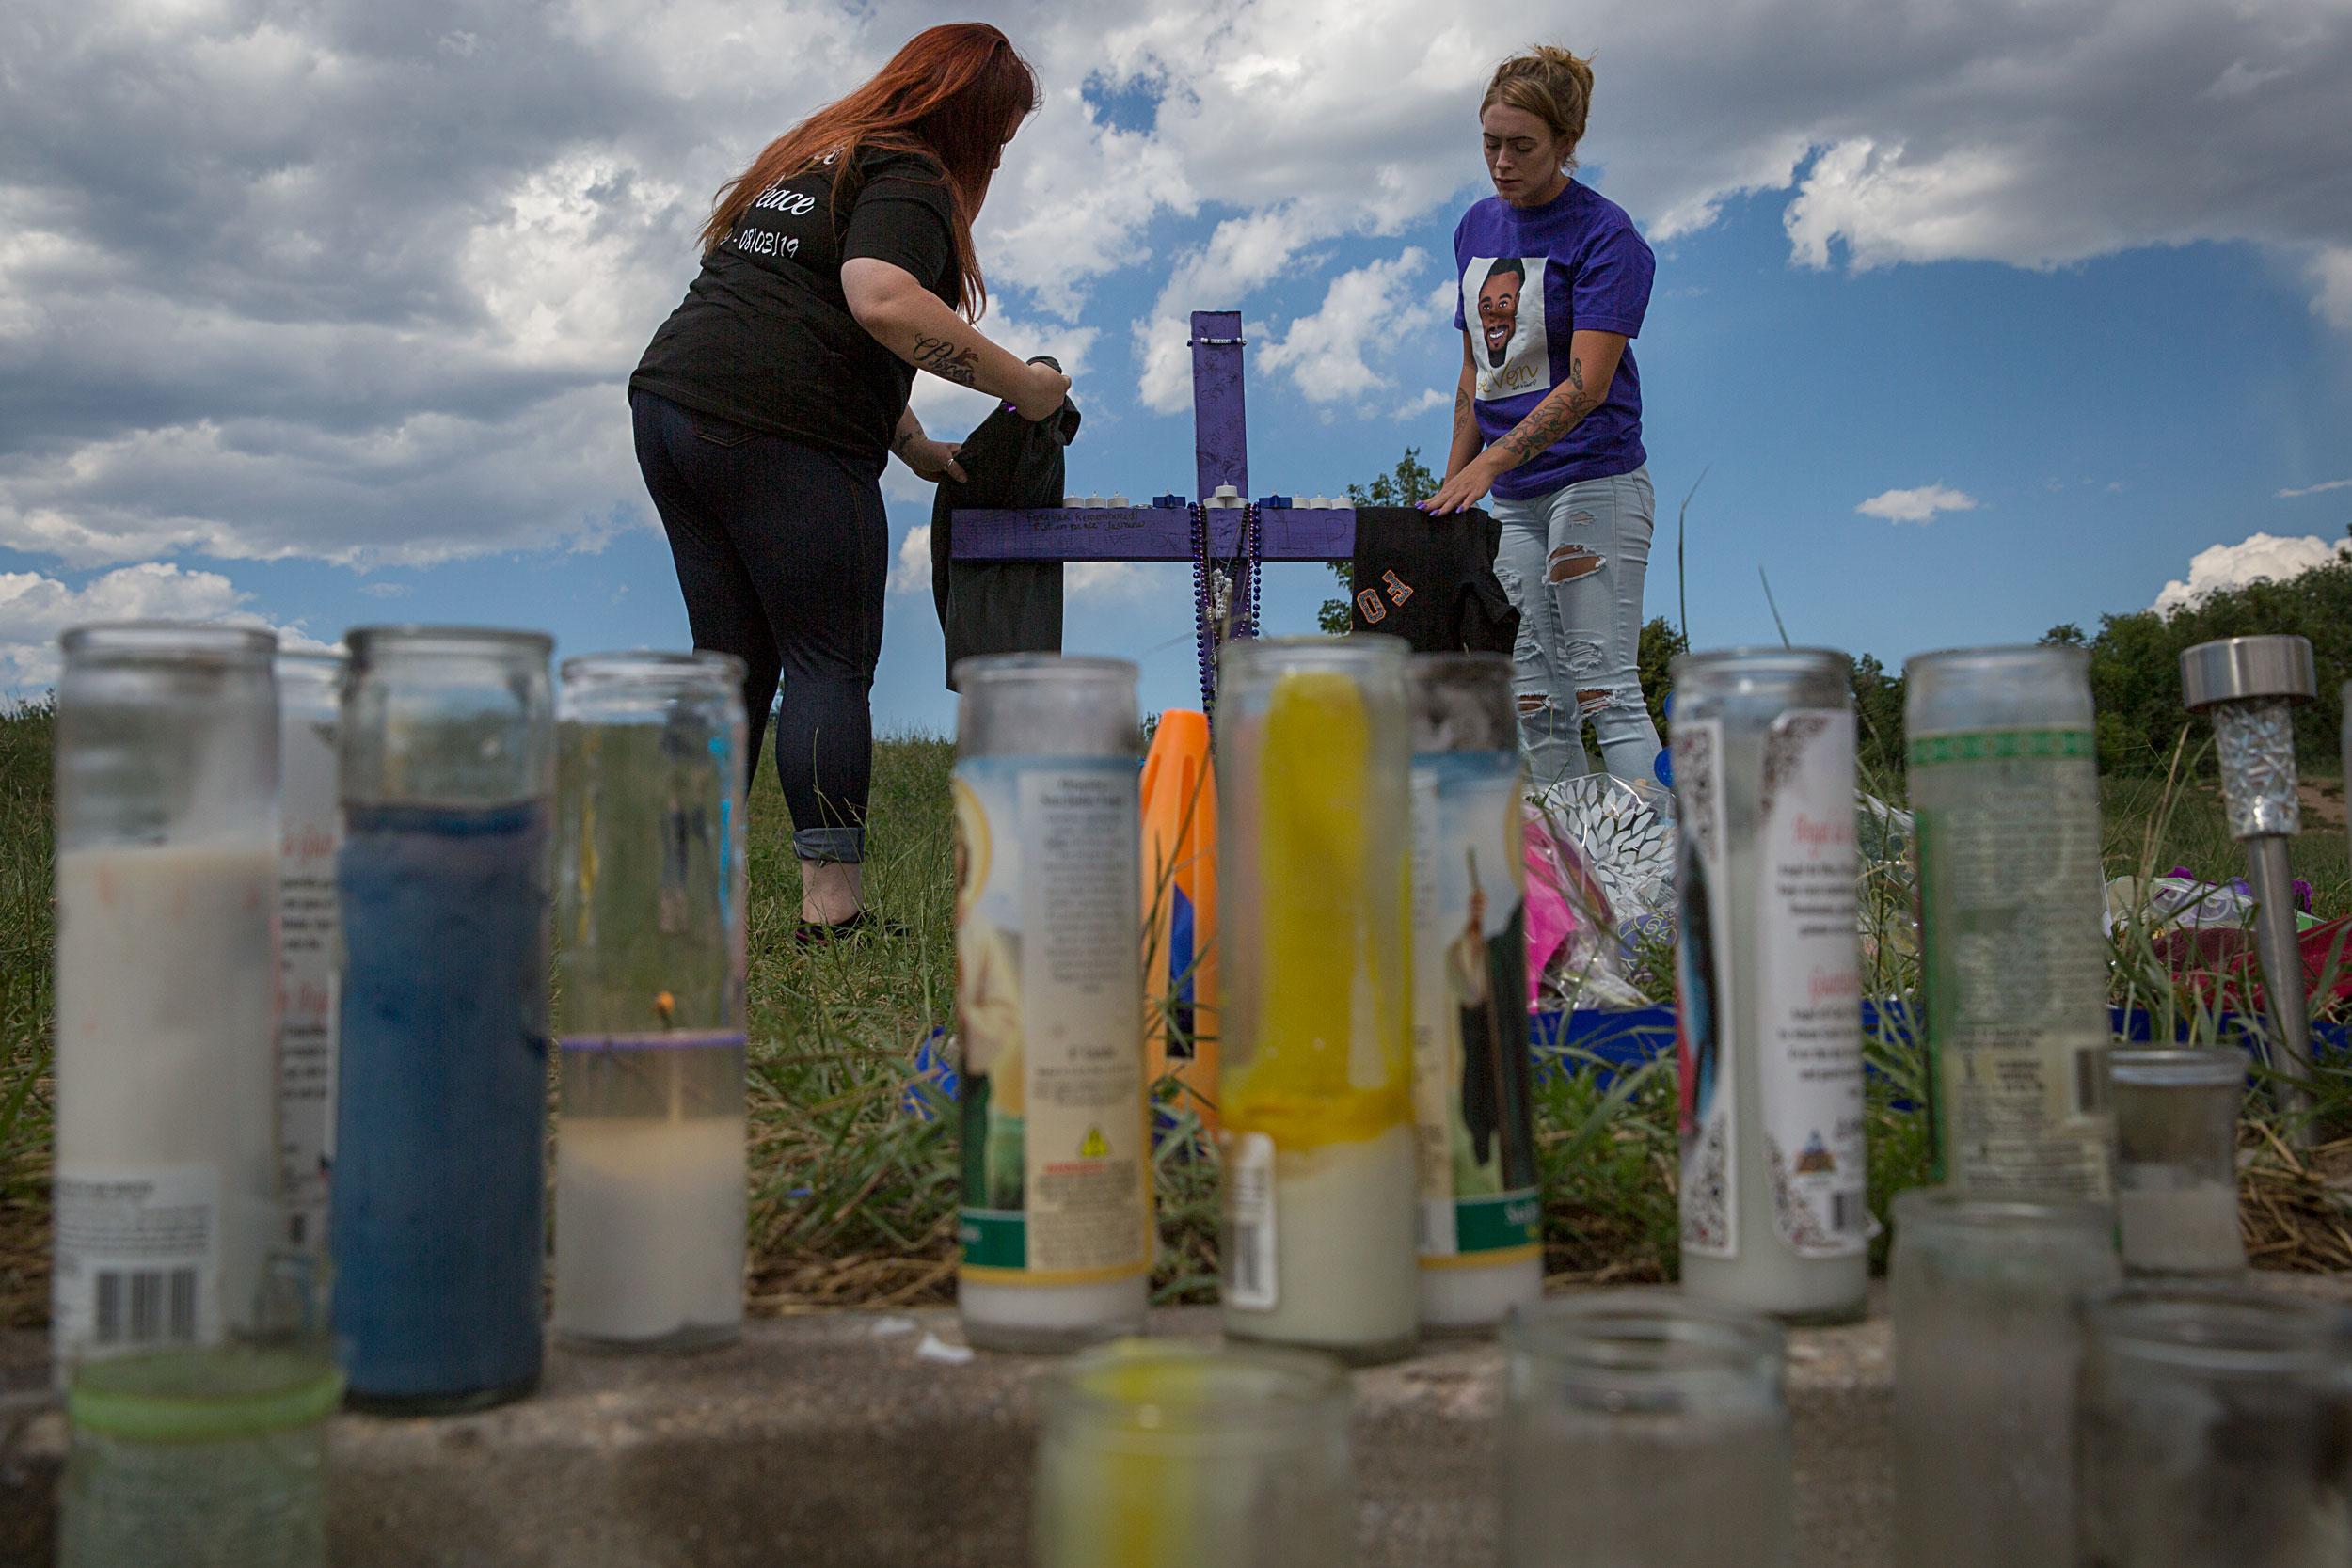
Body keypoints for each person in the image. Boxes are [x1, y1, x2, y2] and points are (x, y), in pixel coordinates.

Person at [629, 23, 1071, 939]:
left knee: (732, 668)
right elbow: (879, 299)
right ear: (965, 119)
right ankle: (832, 911)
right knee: (829, 660)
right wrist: (1026, 387)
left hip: (673, 405)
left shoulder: (810, 162)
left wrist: (910, 444)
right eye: (996, 138)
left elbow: (794, 308)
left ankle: (681, 907)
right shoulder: (911, 175)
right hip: (783, 430)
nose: (994, 158)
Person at [1423, 46, 1662, 789]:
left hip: (1594, 479)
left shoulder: (1606, 236)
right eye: (1490, 142)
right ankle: (1572, 886)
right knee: (1534, 699)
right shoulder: (1473, 229)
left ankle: (1658, 886)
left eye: (1521, 146)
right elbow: (1478, 373)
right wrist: (1454, 482)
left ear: (1566, 143)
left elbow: (1589, 382)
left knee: (1603, 687)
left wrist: (1493, 461)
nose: (1501, 161)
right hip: (1512, 499)